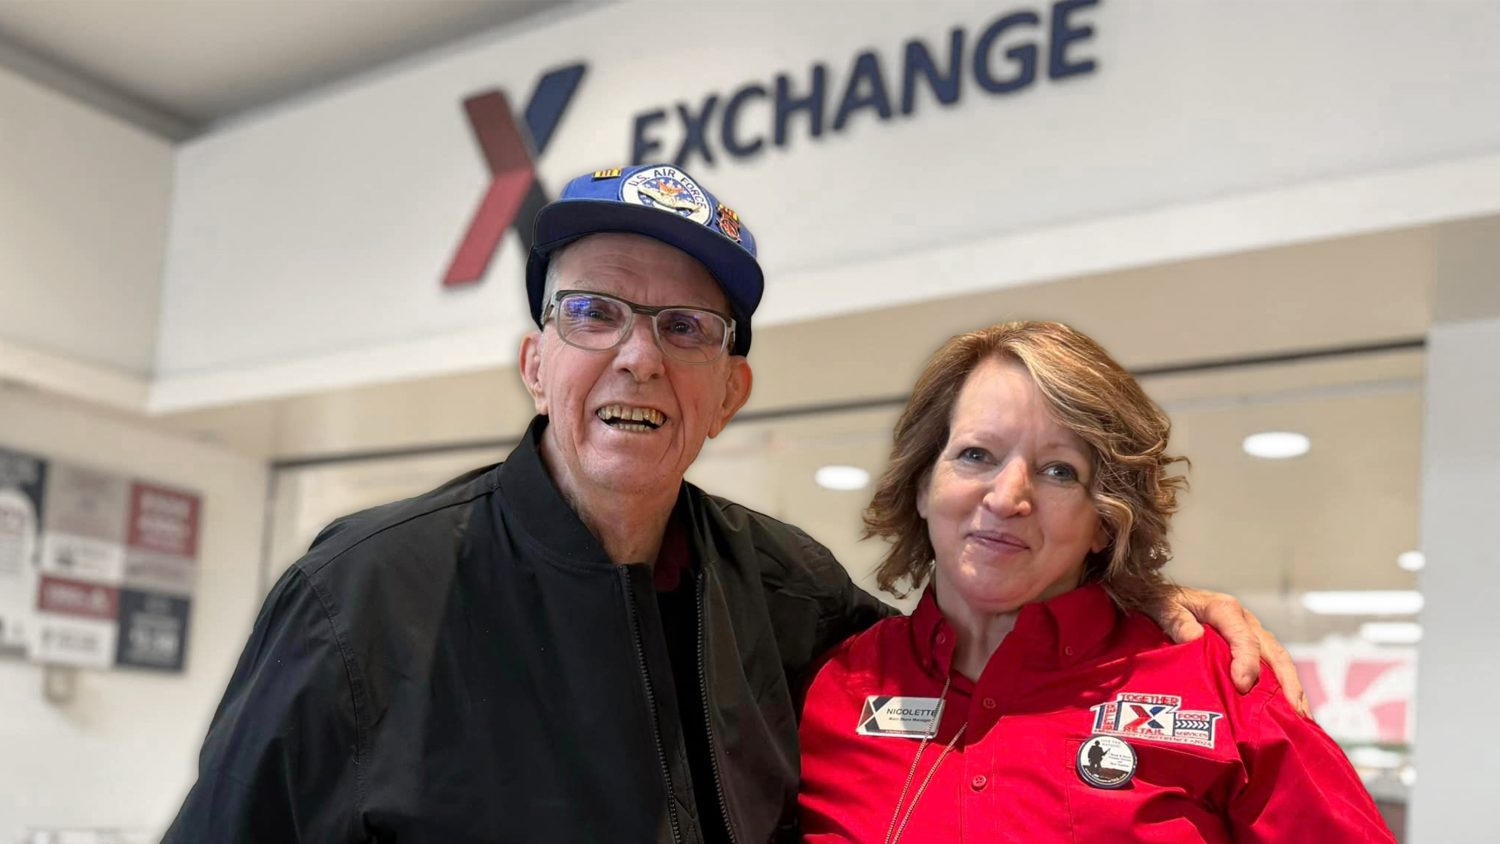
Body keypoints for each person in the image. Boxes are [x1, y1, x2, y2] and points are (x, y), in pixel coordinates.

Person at [164, 166, 1303, 843]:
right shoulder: (361, 595)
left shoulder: (794, 595)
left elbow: (976, 649)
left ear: (729, 391)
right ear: (534, 359)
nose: (637, 358)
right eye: (593, 313)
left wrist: (1144, 610)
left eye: (684, 329)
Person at [798, 321, 1394, 843]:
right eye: (977, 455)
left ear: (1106, 522)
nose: (1007, 498)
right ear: (924, 485)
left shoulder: (1221, 684)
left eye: (1060, 470)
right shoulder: (836, 687)